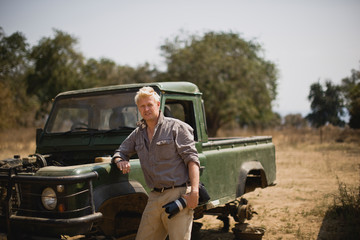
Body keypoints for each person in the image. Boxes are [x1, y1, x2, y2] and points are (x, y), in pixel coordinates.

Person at [112, 86, 200, 240]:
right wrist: (120, 161)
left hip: (177, 194)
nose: (146, 109)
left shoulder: (176, 127)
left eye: (149, 105)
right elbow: (121, 151)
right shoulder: (138, 133)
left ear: (158, 105)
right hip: (153, 196)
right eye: (142, 106)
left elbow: (192, 160)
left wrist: (194, 191)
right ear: (138, 109)